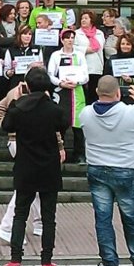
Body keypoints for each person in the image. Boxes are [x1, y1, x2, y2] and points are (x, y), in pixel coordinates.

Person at [79, 76, 134, 266]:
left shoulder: (85, 113)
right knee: (131, 216)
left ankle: (109, 261)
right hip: (125, 169)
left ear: (97, 92)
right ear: (118, 93)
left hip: (97, 168)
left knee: (102, 218)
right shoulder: (130, 112)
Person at [0, 67, 71, 266]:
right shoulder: (54, 109)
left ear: (27, 86)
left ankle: (15, 259)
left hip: (25, 165)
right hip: (49, 165)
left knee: (20, 213)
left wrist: (15, 102)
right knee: (49, 216)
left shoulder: (19, 108)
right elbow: (64, 125)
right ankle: (46, 261)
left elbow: (6, 125)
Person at [48, 28, 88, 164]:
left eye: (72, 37)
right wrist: (60, 83)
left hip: (76, 92)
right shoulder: (56, 55)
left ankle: (79, 154)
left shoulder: (80, 55)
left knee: (78, 125)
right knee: (60, 124)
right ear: (62, 40)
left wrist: (77, 82)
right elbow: (50, 74)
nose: (70, 40)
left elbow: (85, 75)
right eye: (67, 37)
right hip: (60, 92)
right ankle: (59, 152)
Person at [75, 10, 106, 103]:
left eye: (86, 18)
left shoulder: (99, 33)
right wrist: (85, 49)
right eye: (82, 19)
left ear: (91, 20)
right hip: (83, 67)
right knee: (84, 94)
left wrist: (92, 48)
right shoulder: (76, 33)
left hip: (96, 67)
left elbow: (100, 47)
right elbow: (73, 48)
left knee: (94, 93)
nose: (83, 20)